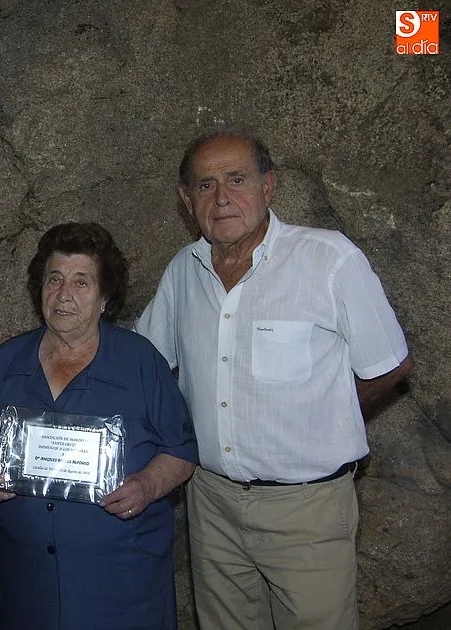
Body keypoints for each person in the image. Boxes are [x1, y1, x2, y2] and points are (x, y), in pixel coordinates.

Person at [136, 130, 414, 630]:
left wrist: (328, 422)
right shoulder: (184, 270)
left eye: (237, 180)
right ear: (186, 199)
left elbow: (392, 364)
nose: (222, 198)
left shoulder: (328, 259)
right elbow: (144, 364)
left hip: (305, 509)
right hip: (211, 502)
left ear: (268, 186)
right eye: (205, 185)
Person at [0, 222, 198, 629]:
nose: (64, 295)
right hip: (26, 587)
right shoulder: (7, 363)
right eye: (54, 279)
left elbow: (181, 450)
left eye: (81, 282)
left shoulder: (141, 363)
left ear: (105, 297)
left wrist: (145, 487)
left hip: (121, 587)